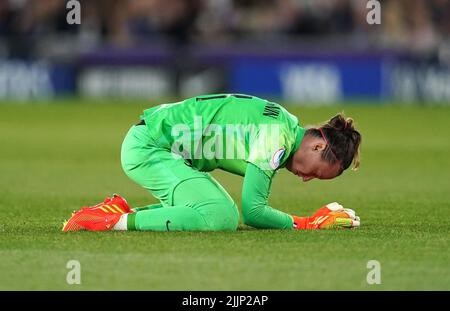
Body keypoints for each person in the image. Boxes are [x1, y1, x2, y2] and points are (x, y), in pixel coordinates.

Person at [62, 94, 361, 232]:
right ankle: (110, 222)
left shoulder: (282, 125)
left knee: (221, 211)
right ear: (318, 144)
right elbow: (254, 212)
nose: (307, 179)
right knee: (220, 216)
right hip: (148, 148)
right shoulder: (276, 136)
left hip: (157, 144)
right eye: (317, 174)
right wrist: (306, 223)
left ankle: (118, 212)